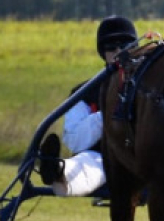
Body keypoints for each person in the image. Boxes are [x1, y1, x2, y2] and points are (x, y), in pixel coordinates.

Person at [38, 16, 135, 196]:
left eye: (125, 46)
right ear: (102, 52)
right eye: (111, 47)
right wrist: (106, 114)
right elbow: (75, 141)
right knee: (89, 164)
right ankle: (57, 170)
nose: (119, 51)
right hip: (103, 159)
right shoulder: (85, 92)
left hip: (144, 156)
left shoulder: (151, 84)